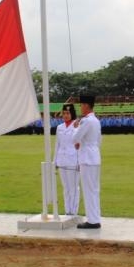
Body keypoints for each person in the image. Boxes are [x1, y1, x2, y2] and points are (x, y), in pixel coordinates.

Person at [73, 94, 102, 229]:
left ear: (86, 105)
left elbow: (75, 137)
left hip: (87, 158)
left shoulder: (86, 121)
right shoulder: (96, 120)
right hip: (95, 156)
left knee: (89, 189)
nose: (80, 107)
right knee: (94, 189)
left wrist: (75, 127)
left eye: (81, 104)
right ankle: (95, 217)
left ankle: (92, 220)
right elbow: (99, 141)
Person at [54, 103, 80, 215]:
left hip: (73, 160)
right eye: (64, 113)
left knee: (73, 188)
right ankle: (67, 211)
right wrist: (55, 160)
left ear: (72, 113)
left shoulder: (77, 125)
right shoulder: (59, 127)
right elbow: (57, 144)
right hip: (62, 160)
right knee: (66, 188)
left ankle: (73, 212)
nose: (65, 115)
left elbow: (79, 144)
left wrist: (80, 162)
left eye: (68, 113)